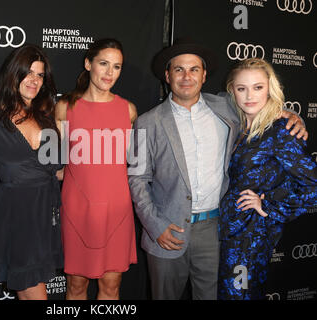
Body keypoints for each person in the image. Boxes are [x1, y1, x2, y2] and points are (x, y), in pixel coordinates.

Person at [127, 38, 307, 300]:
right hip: (167, 232)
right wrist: (155, 226)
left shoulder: (224, 107)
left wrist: (292, 115)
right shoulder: (146, 122)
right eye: (179, 69)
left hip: (215, 230)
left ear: (204, 75)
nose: (186, 76)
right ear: (167, 75)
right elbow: (137, 178)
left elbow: (259, 104)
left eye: (194, 69)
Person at [217, 58, 317, 300]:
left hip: (250, 239)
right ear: (233, 91)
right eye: (242, 88)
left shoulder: (281, 130)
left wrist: (268, 204)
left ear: (270, 89)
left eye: (258, 87)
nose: (250, 95)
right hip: (227, 232)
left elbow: (313, 186)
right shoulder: (241, 127)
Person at [0, 44, 63, 300]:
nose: (34, 80)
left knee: (31, 289)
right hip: (16, 213)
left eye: (40, 75)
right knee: (33, 290)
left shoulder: (47, 117)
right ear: (14, 74)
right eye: (28, 73)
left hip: (46, 212)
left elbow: (58, 171)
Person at [55, 38, 138, 300]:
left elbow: (136, 163)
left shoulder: (129, 110)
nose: (109, 73)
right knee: (76, 288)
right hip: (77, 210)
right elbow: (55, 162)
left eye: (117, 66)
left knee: (111, 288)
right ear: (88, 63)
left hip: (117, 211)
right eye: (103, 64)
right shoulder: (64, 108)